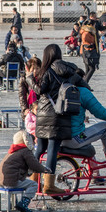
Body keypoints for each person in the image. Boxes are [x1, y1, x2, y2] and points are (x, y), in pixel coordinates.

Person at [34, 44, 85, 195]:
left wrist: (30, 79)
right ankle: (48, 184)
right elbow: (83, 83)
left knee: (39, 149)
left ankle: (32, 180)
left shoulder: (47, 72)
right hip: (59, 117)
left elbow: (40, 91)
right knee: (52, 150)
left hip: (43, 116)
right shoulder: (70, 71)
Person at [61, 73, 106, 169]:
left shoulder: (60, 90)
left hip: (60, 138)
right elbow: (99, 112)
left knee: (87, 135)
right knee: (105, 127)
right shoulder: (82, 91)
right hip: (75, 137)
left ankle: (94, 173)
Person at [0, 130, 51, 212]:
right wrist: (44, 169)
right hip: (11, 181)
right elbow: (34, 165)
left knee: (23, 182)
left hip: (1, 181)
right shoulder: (25, 151)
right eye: (33, 141)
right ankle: (24, 203)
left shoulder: (13, 151)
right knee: (33, 184)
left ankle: (14, 204)